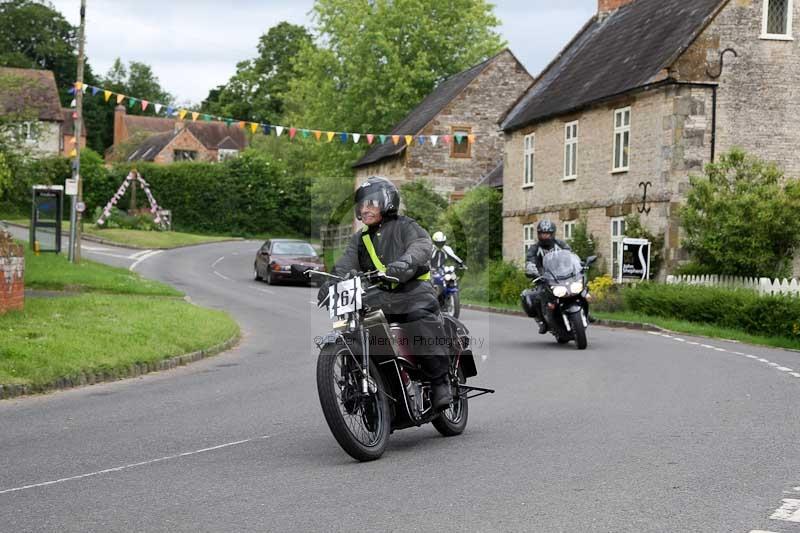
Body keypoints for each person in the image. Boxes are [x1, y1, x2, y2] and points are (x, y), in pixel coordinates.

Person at [318, 176, 453, 411]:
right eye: (361, 205)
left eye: (371, 203)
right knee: (356, 327)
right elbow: (344, 265)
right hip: (378, 297)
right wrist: (330, 284)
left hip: (413, 291)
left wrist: (405, 263)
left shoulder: (406, 226)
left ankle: (439, 381)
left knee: (417, 318)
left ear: (387, 201)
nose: (365, 209)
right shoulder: (359, 240)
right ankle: (373, 386)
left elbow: (421, 246)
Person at [524, 219, 571, 334]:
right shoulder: (534, 248)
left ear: (552, 233)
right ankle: (542, 321)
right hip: (543, 278)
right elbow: (530, 259)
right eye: (542, 234)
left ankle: (586, 312)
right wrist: (531, 269)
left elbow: (570, 255)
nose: (545, 236)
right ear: (539, 234)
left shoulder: (560, 244)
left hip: (562, 276)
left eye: (547, 234)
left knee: (579, 288)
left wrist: (577, 264)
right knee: (536, 297)